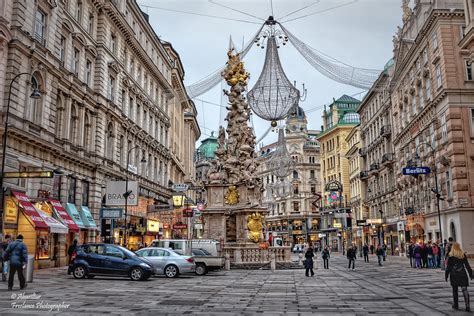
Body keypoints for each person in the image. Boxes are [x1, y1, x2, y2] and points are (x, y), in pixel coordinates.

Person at [445, 242, 473, 311]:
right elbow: (467, 265)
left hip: (454, 274)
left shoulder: (450, 255)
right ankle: (467, 305)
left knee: (455, 290)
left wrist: (446, 275)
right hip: (462, 273)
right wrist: (470, 274)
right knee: (464, 289)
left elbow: (448, 267)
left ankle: (456, 305)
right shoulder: (462, 254)